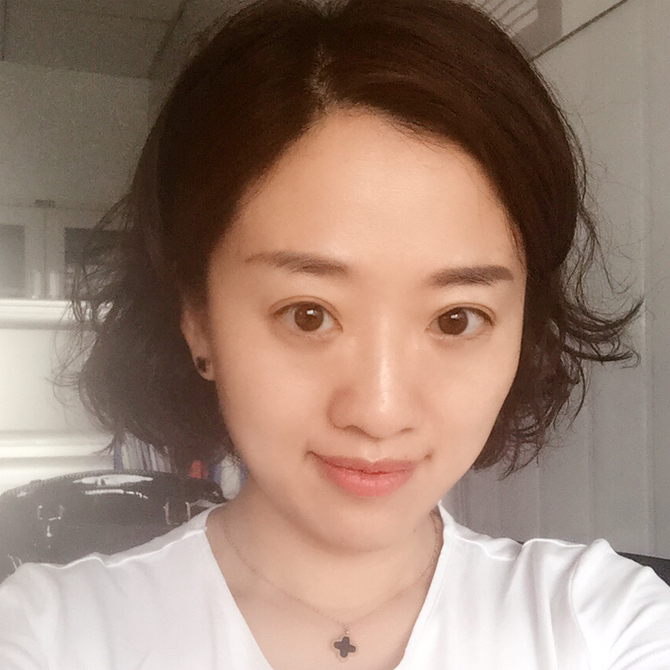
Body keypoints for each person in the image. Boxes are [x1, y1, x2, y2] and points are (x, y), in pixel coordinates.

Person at [0, 0, 668, 668]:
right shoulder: (49, 636)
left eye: (455, 319)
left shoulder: (601, 622)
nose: (379, 412)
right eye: (308, 315)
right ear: (197, 317)